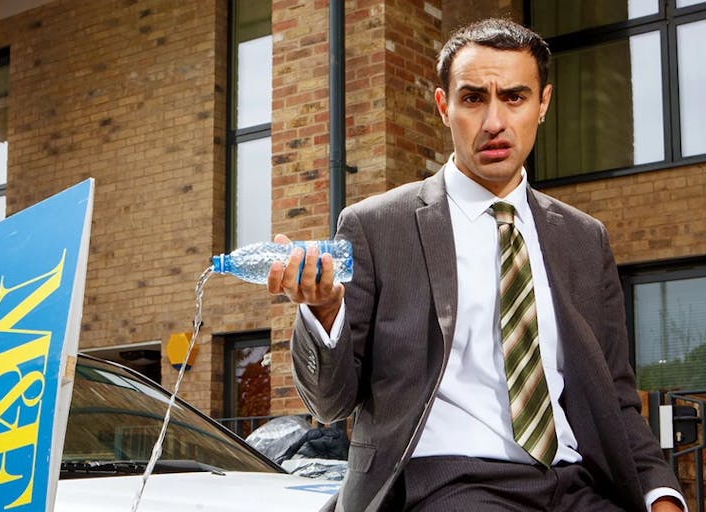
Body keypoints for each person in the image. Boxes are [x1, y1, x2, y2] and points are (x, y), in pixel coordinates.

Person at [268, 18, 686, 512]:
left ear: (543, 104)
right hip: (447, 480)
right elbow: (330, 403)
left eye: (514, 97)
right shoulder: (377, 227)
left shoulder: (584, 240)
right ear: (444, 107)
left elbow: (616, 400)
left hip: (573, 484)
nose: (494, 121)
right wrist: (322, 314)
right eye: (472, 99)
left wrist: (663, 495)